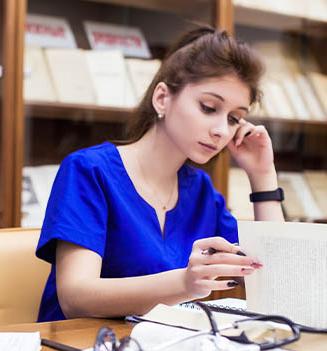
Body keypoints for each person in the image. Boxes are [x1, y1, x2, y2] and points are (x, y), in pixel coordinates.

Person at [36, 27, 285, 322]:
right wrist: (184, 284)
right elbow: (75, 298)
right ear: (162, 99)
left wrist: (263, 176)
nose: (221, 130)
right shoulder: (89, 171)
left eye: (234, 118)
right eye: (208, 107)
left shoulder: (201, 191)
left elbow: (276, 279)